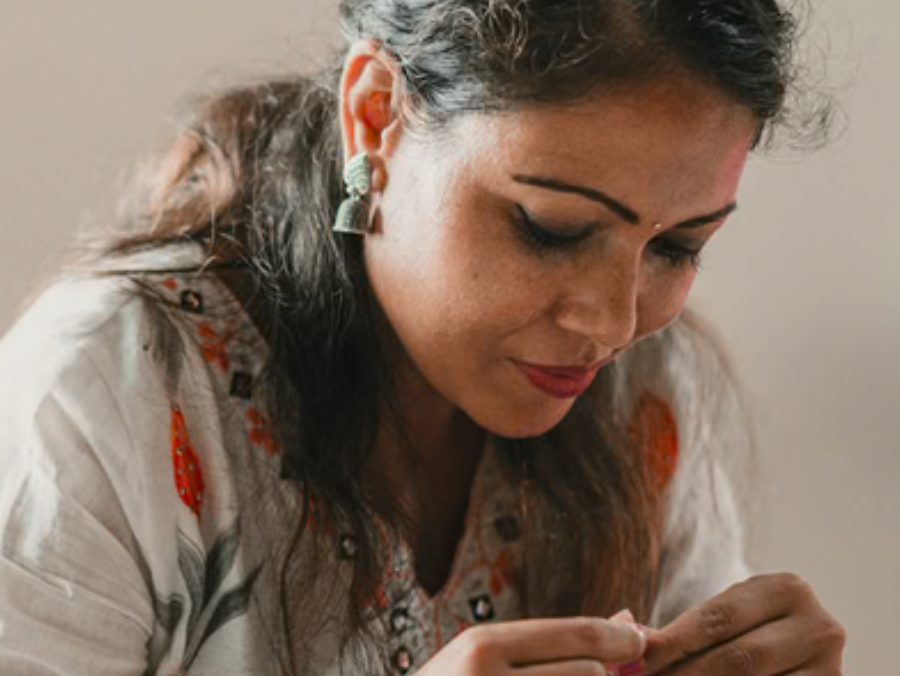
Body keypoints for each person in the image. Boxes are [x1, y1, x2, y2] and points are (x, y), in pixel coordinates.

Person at [0, 0, 846, 674]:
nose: (615, 324)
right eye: (551, 228)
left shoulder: (645, 393)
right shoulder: (103, 396)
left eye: (677, 247)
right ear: (375, 117)